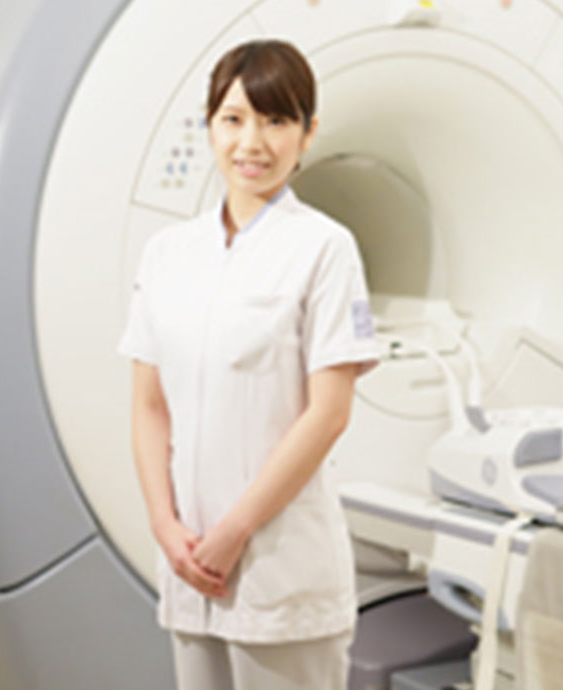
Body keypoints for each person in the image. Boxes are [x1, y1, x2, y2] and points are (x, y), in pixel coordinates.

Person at [117, 38, 381, 690]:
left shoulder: (325, 249)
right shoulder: (168, 253)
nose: (252, 142)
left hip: (280, 569)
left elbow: (329, 414)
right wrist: (164, 525)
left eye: (276, 120)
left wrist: (234, 531)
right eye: (233, 119)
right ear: (209, 126)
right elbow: (150, 404)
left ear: (307, 133)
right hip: (189, 562)